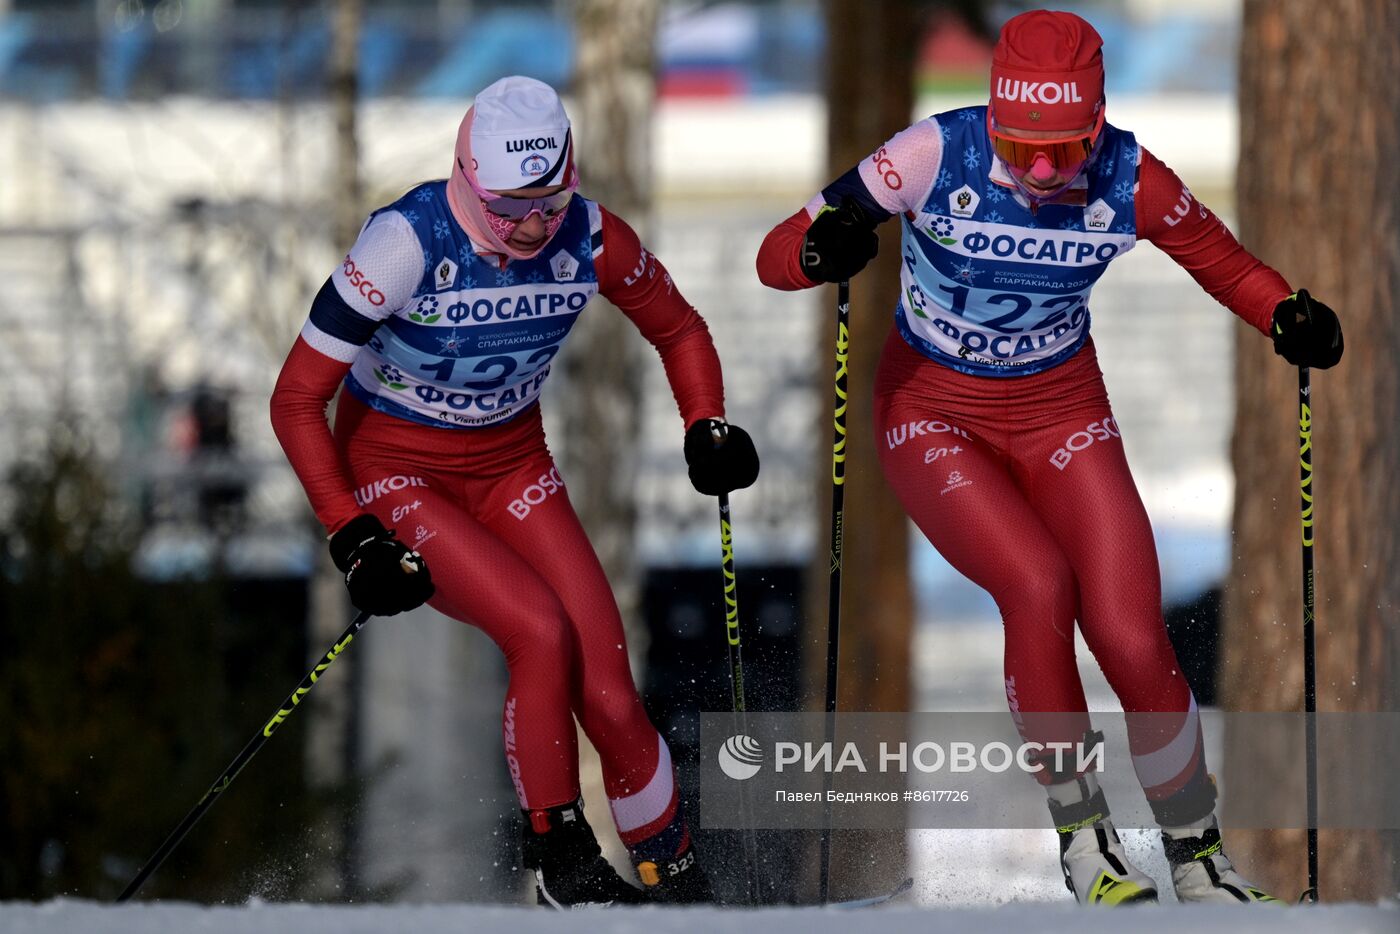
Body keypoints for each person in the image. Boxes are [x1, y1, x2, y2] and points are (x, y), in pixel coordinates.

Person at [757, 10, 1341, 906]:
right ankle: (1085, 842)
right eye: (1017, 143)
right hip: (932, 411)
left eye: (1061, 150)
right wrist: (814, 248)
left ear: (1097, 125)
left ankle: (1198, 856)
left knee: (1134, 636)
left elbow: (1222, 262)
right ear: (990, 113)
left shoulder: (1131, 176)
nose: (1035, 171)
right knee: (1036, 584)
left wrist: (1284, 313)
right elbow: (773, 257)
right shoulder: (929, 154)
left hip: (1061, 408)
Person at [271, 76, 758, 908]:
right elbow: (294, 399)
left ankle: (677, 879)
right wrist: (351, 533)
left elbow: (679, 327)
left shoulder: (592, 235)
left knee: (606, 685)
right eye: (511, 210)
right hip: (396, 470)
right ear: (467, 180)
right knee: (538, 630)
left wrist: (705, 424)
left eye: (552, 200)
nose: (535, 225)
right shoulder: (405, 243)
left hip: (511, 465)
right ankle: (561, 860)